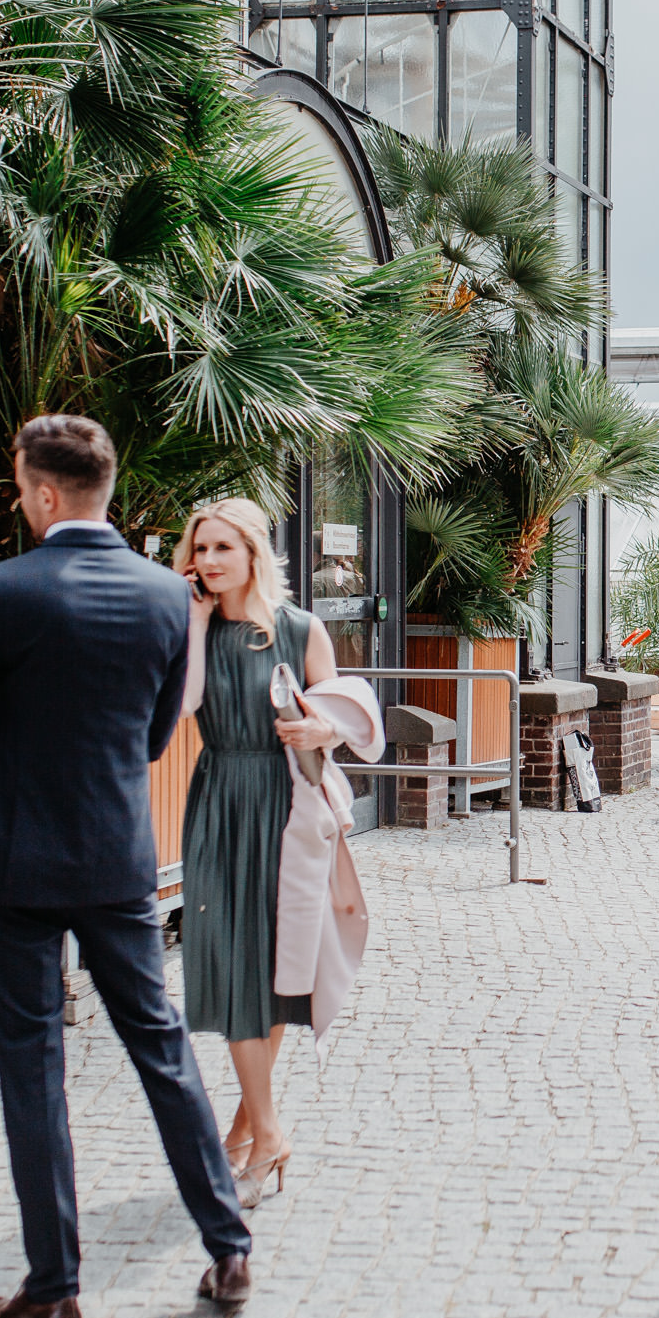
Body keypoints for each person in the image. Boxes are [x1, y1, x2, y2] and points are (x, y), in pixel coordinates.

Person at [0, 415, 252, 1318]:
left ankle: (53, 1288)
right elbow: (155, 736)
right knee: (161, 1048)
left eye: (19, 487)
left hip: (15, 863)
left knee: (32, 1068)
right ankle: (229, 1245)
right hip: (119, 855)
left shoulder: (2, 590)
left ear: (43, 493)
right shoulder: (166, 596)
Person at [173, 497, 369, 1207]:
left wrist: (322, 732)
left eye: (223, 547)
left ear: (254, 553)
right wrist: (195, 624)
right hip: (219, 801)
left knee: (273, 968)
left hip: (286, 808)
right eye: (200, 548)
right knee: (229, 964)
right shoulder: (190, 626)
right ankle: (266, 1130)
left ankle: (252, 1131)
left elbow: (336, 713)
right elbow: (183, 705)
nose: (208, 560)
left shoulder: (299, 628)